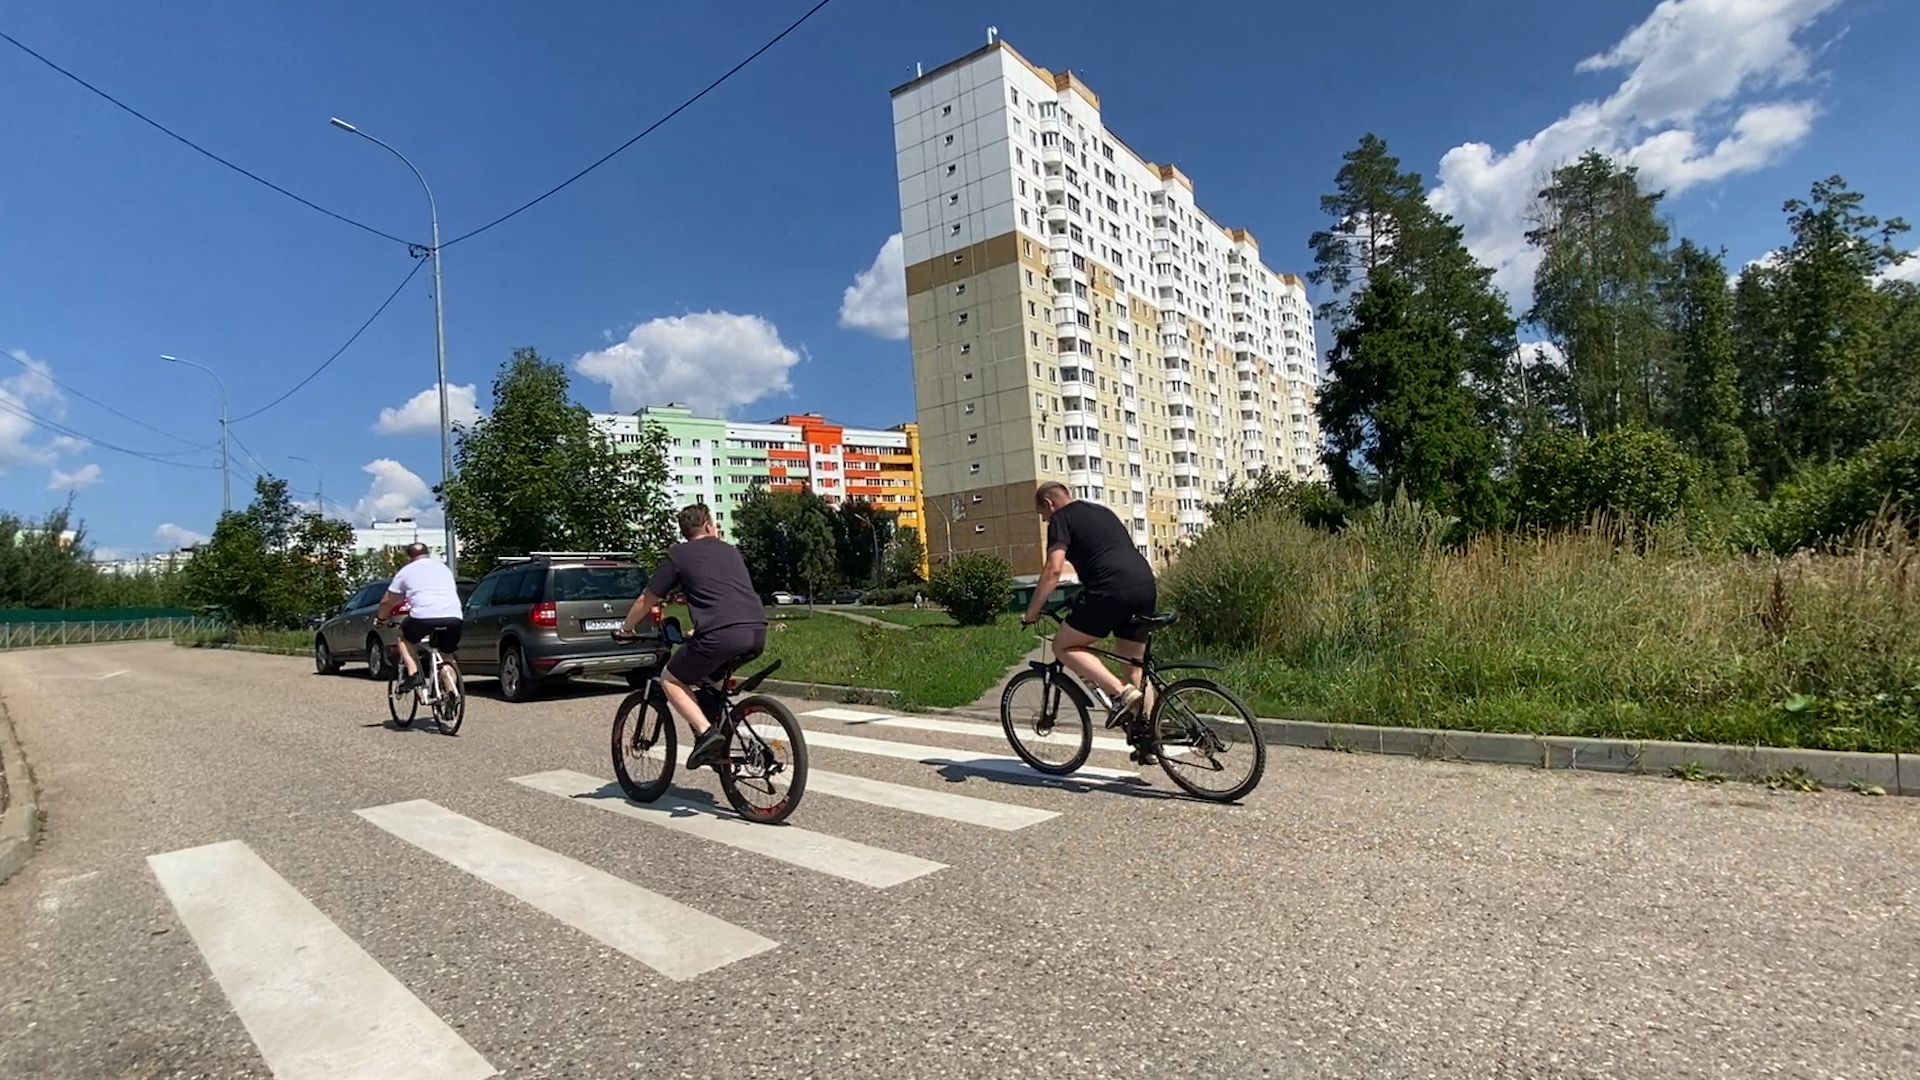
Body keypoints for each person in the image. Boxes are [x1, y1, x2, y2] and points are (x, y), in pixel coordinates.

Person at [620, 504, 768, 770]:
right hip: (756, 630)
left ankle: (706, 732)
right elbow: (725, 595)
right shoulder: (731, 551)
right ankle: (719, 744)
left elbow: (647, 598)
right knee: (709, 682)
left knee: (670, 679)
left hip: (720, 635)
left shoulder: (680, 554)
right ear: (710, 526)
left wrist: (626, 629)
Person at [1020, 482, 1158, 747]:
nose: (1046, 520)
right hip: (1144, 584)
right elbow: (1107, 554)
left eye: (1043, 515)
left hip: (1112, 589)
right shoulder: (1101, 511)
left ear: (1048, 504)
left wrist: (1031, 613)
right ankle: (1151, 740)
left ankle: (1120, 694)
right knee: (1134, 667)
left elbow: (1053, 570)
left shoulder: (1060, 518)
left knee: (1064, 645)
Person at [376, 542, 464, 694]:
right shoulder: (443, 568)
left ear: (409, 557)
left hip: (423, 617)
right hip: (454, 616)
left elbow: (388, 601)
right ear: (427, 553)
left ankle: (413, 674)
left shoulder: (406, 571)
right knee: (447, 656)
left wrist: (382, 618)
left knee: (403, 637)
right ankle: (451, 693)